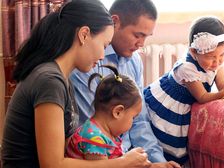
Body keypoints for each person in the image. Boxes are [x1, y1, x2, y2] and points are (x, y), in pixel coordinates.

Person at [1, 0, 151, 167]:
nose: (103, 56)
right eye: (104, 45)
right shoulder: (49, 81)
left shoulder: (61, 78)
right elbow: (53, 165)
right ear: (84, 35)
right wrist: (122, 163)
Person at [70, 0, 180, 167]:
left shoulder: (134, 61)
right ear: (115, 22)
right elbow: (96, 127)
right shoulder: (87, 64)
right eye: (138, 35)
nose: (142, 44)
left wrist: (157, 162)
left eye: (146, 37)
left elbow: (140, 121)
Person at [144, 16, 224, 165]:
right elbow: (202, 97)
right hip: (171, 103)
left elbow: (223, 85)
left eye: (222, 54)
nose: (217, 62)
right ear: (193, 52)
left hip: (187, 101)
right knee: (169, 143)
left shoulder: (214, 63)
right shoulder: (187, 68)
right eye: (211, 57)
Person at [66, 65, 143, 160]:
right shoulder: (95, 138)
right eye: (133, 117)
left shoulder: (106, 134)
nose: (132, 122)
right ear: (117, 112)